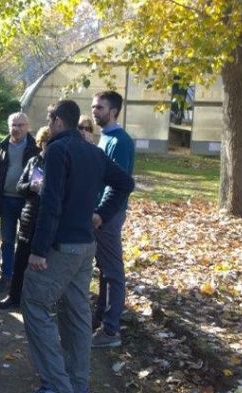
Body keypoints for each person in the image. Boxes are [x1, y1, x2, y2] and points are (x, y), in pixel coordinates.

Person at [21, 100, 134, 393]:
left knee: (34, 304)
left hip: (63, 246)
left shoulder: (58, 150)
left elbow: (51, 202)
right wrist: (101, 214)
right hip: (85, 244)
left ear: (58, 120)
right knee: (76, 314)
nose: (49, 123)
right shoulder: (92, 152)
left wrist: (39, 249)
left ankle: (58, 384)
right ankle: (76, 383)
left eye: (50, 118)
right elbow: (125, 183)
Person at [90, 90, 135, 348]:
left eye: (99, 108)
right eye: (93, 107)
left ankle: (110, 331)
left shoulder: (120, 141)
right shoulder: (105, 138)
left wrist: (101, 215)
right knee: (104, 269)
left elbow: (119, 185)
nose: (94, 111)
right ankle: (100, 318)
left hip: (108, 215)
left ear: (114, 111)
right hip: (99, 213)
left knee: (113, 271)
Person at [0, 126, 49, 309]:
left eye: (51, 143)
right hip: (29, 216)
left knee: (43, 263)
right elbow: (20, 186)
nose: (47, 146)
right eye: (45, 143)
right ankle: (14, 296)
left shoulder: (62, 163)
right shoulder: (34, 161)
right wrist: (31, 187)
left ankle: (38, 302)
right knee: (20, 258)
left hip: (49, 219)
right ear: (40, 143)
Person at [0, 112, 39, 293]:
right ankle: (6, 276)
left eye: (21, 125)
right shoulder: (0, 147)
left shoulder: (36, 147)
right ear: (8, 126)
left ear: (27, 127)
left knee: (25, 242)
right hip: (6, 200)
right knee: (7, 241)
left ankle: (22, 279)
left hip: (27, 201)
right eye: (13, 125)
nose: (17, 129)